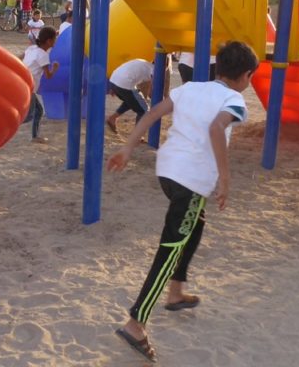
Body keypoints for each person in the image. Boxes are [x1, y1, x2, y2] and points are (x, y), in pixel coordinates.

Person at [106, 41, 258, 363]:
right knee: (170, 247)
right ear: (245, 75)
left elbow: (151, 114)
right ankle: (136, 323)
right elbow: (217, 128)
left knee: (196, 223)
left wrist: (129, 148)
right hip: (190, 181)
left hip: (168, 171)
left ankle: (175, 291)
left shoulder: (191, 88)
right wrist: (226, 180)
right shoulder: (234, 99)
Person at [22, 26, 59, 143]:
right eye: (54, 39)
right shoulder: (43, 55)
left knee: (39, 111)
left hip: (24, 82)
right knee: (30, 115)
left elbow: (20, 57)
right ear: (48, 41)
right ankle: (7, 123)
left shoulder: (32, 48)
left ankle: (35, 137)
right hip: (29, 86)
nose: (55, 41)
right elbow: (48, 76)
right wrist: (54, 68)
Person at [106, 59, 153, 134]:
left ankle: (112, 118)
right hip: (124, 84)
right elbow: (153, 89)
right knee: (144, 110)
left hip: (113, 80)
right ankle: (137, 135)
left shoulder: (143, 62)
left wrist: (114, 87)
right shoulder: (154, 69)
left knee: (132, 100)